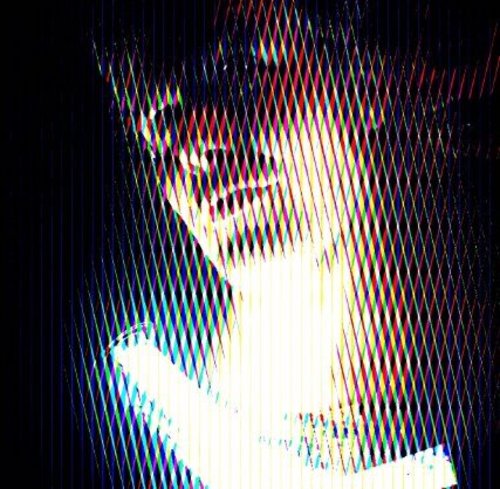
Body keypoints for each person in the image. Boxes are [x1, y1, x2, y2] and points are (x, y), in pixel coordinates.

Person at [102, 1, 457, 487]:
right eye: (161, 124)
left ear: (365, 79)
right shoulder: (141, 418)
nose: (190, 144)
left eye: (238, 70)